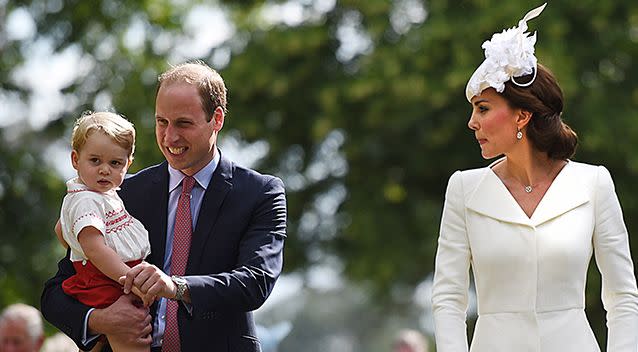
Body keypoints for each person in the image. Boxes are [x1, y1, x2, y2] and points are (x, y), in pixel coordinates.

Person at [431, 3, 638, 352]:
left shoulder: (595, 184)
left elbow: (622, 297)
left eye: (483, 108)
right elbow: (448, 298)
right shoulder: (463, 189)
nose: (472, 122)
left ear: (521, 116)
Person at [41, 60, 287, 352]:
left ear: (217, 119)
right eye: (161, 122)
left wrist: (176, 287)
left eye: (183, 123)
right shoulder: (118, 194)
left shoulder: (260, 193)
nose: (170, 137)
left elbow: (255, 282)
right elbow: (55, 294)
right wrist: (101, 320)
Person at [55, 112, 154, 352]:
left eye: (115, 163)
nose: (104, 170)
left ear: (128, 163)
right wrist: (131, 280)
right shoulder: (87, 200)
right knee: (132, 338)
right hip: (109, 281)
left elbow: (60, 229)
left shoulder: (98, 194)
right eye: (95, 161)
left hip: (108, 276)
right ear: (75, 160)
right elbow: (96, 249)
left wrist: (75, 248)